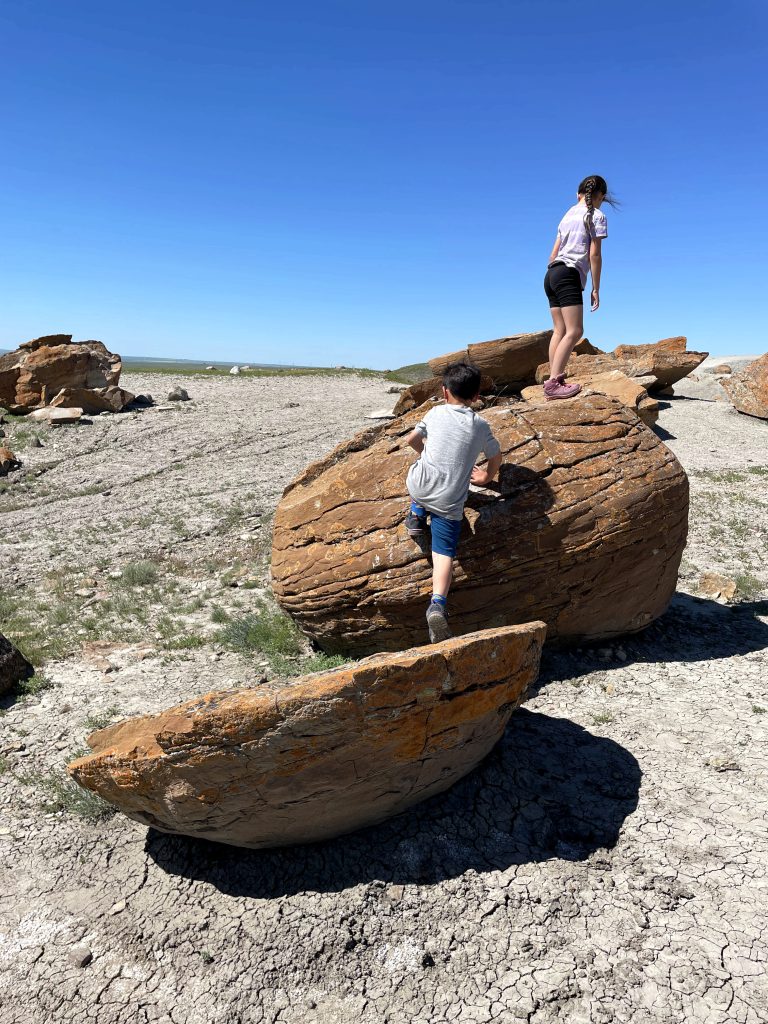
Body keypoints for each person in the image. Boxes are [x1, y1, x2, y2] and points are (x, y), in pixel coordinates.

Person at [403, 362, 502, 642]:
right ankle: (437, 604)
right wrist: (485, 476)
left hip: (420, 487)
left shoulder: (434, 413)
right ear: (476, 397)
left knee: (419, 476)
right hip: (449, 502)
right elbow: (496, 456)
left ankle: (416, 514)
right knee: (443, 553)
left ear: (445, 392)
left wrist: (426, 455)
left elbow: (412, 439)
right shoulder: (480, 425)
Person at [543, 174, 616, 399]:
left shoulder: (567, 215)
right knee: (575, 331)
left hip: (552, 273)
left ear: (578, 194)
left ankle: (552, 378)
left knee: (559, 330)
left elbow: (552, 254)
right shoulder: (597, 215)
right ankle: (554, 384)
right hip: (569, 273)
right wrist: (596, 287)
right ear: (600, 196)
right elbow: (595, 254)